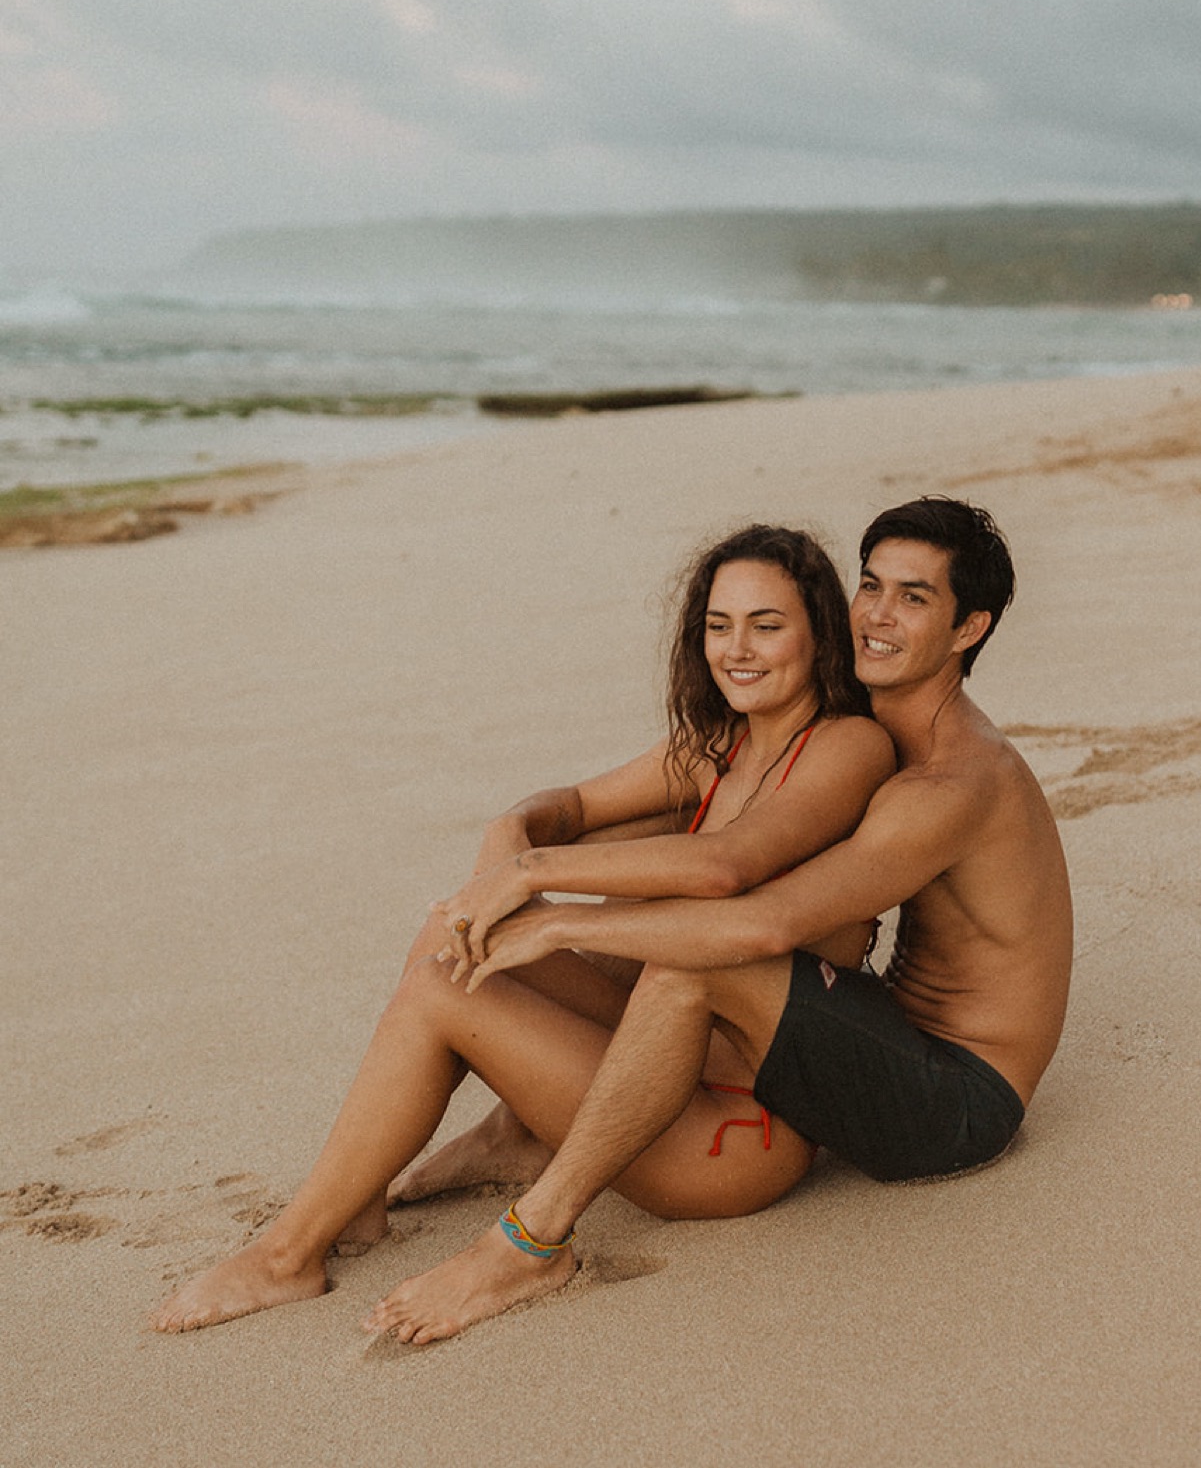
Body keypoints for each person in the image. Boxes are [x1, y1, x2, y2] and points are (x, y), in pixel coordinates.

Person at [355, 494, 1074, 1346]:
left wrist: (555, 921)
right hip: (887, 1027)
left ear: (969, 629)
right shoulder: (872, 730)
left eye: (914, 598)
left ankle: (533, 1239)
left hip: (955, 1098)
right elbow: (690, 824)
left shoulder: (948, 784)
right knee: (673, 853)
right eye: (871, 585)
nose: (877, 616)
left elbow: (764, 926)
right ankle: (520, 1124)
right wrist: (526, 844)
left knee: (699, 957)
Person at [152, 524, 894, 1332]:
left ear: (819, 631)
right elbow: (569, 806)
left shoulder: (849, 747)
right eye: (719, 625)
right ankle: (366, 1198)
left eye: (766, 624)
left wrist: (533, 876)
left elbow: (727, 866)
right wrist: (512, 832)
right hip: (657, 1060)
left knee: (446, 986)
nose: (737, 649)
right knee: (451, 931)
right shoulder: (721, 742)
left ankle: (288, 1255)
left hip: (740, 1133)